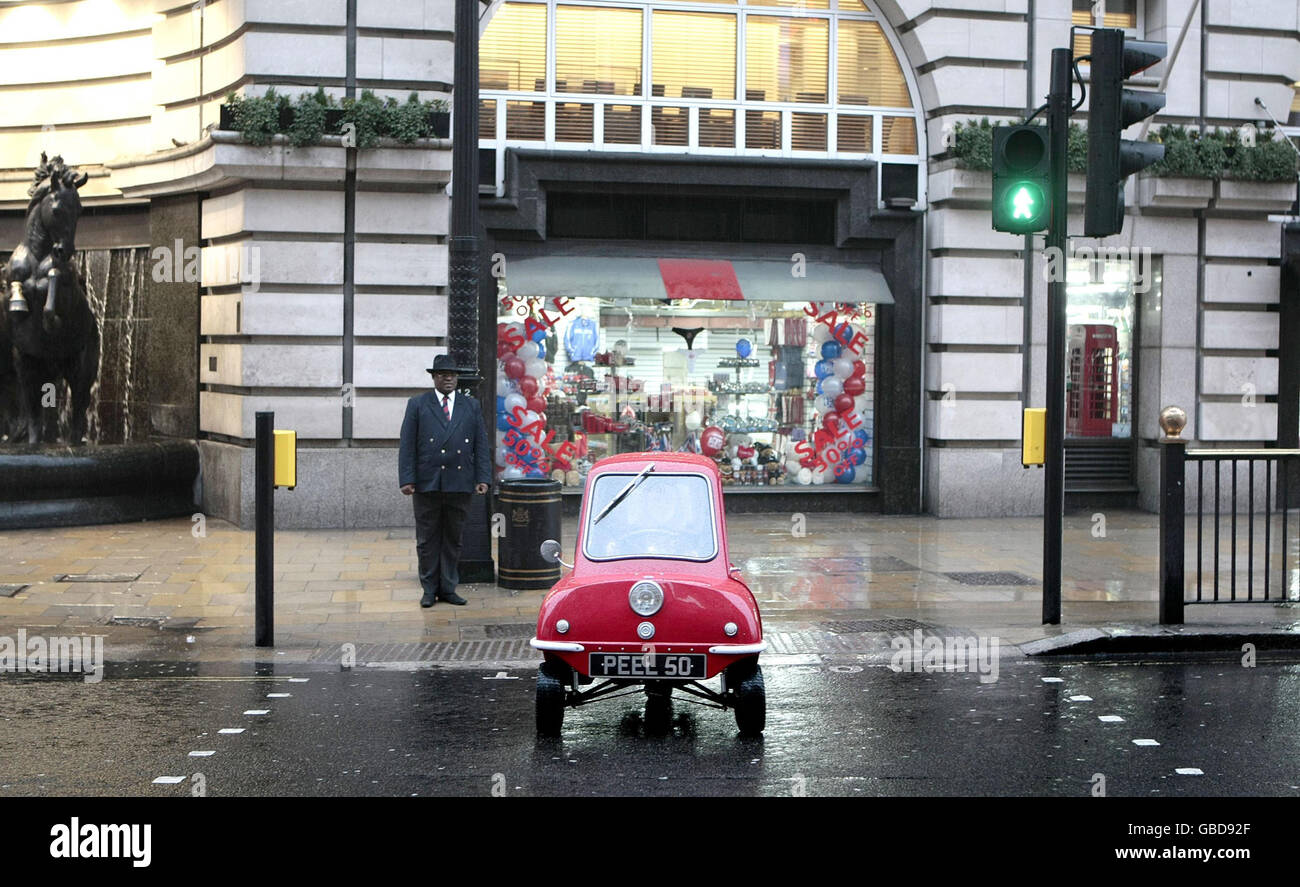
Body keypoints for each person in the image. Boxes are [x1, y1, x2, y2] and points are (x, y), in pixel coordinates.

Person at [399, 354, 491, 607]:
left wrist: (483, 477)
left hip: (460, 481)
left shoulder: (469, 405)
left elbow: (480, 443)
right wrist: (407, 479)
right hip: (427, 483)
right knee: (427, 540)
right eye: (442, 374)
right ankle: (429, 589)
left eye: (451, 374)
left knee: (453, 538)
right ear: (434, 378)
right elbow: (407, 445)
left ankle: (449, 587)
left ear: (457, 377)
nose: (448, 378)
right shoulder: (418, 404)